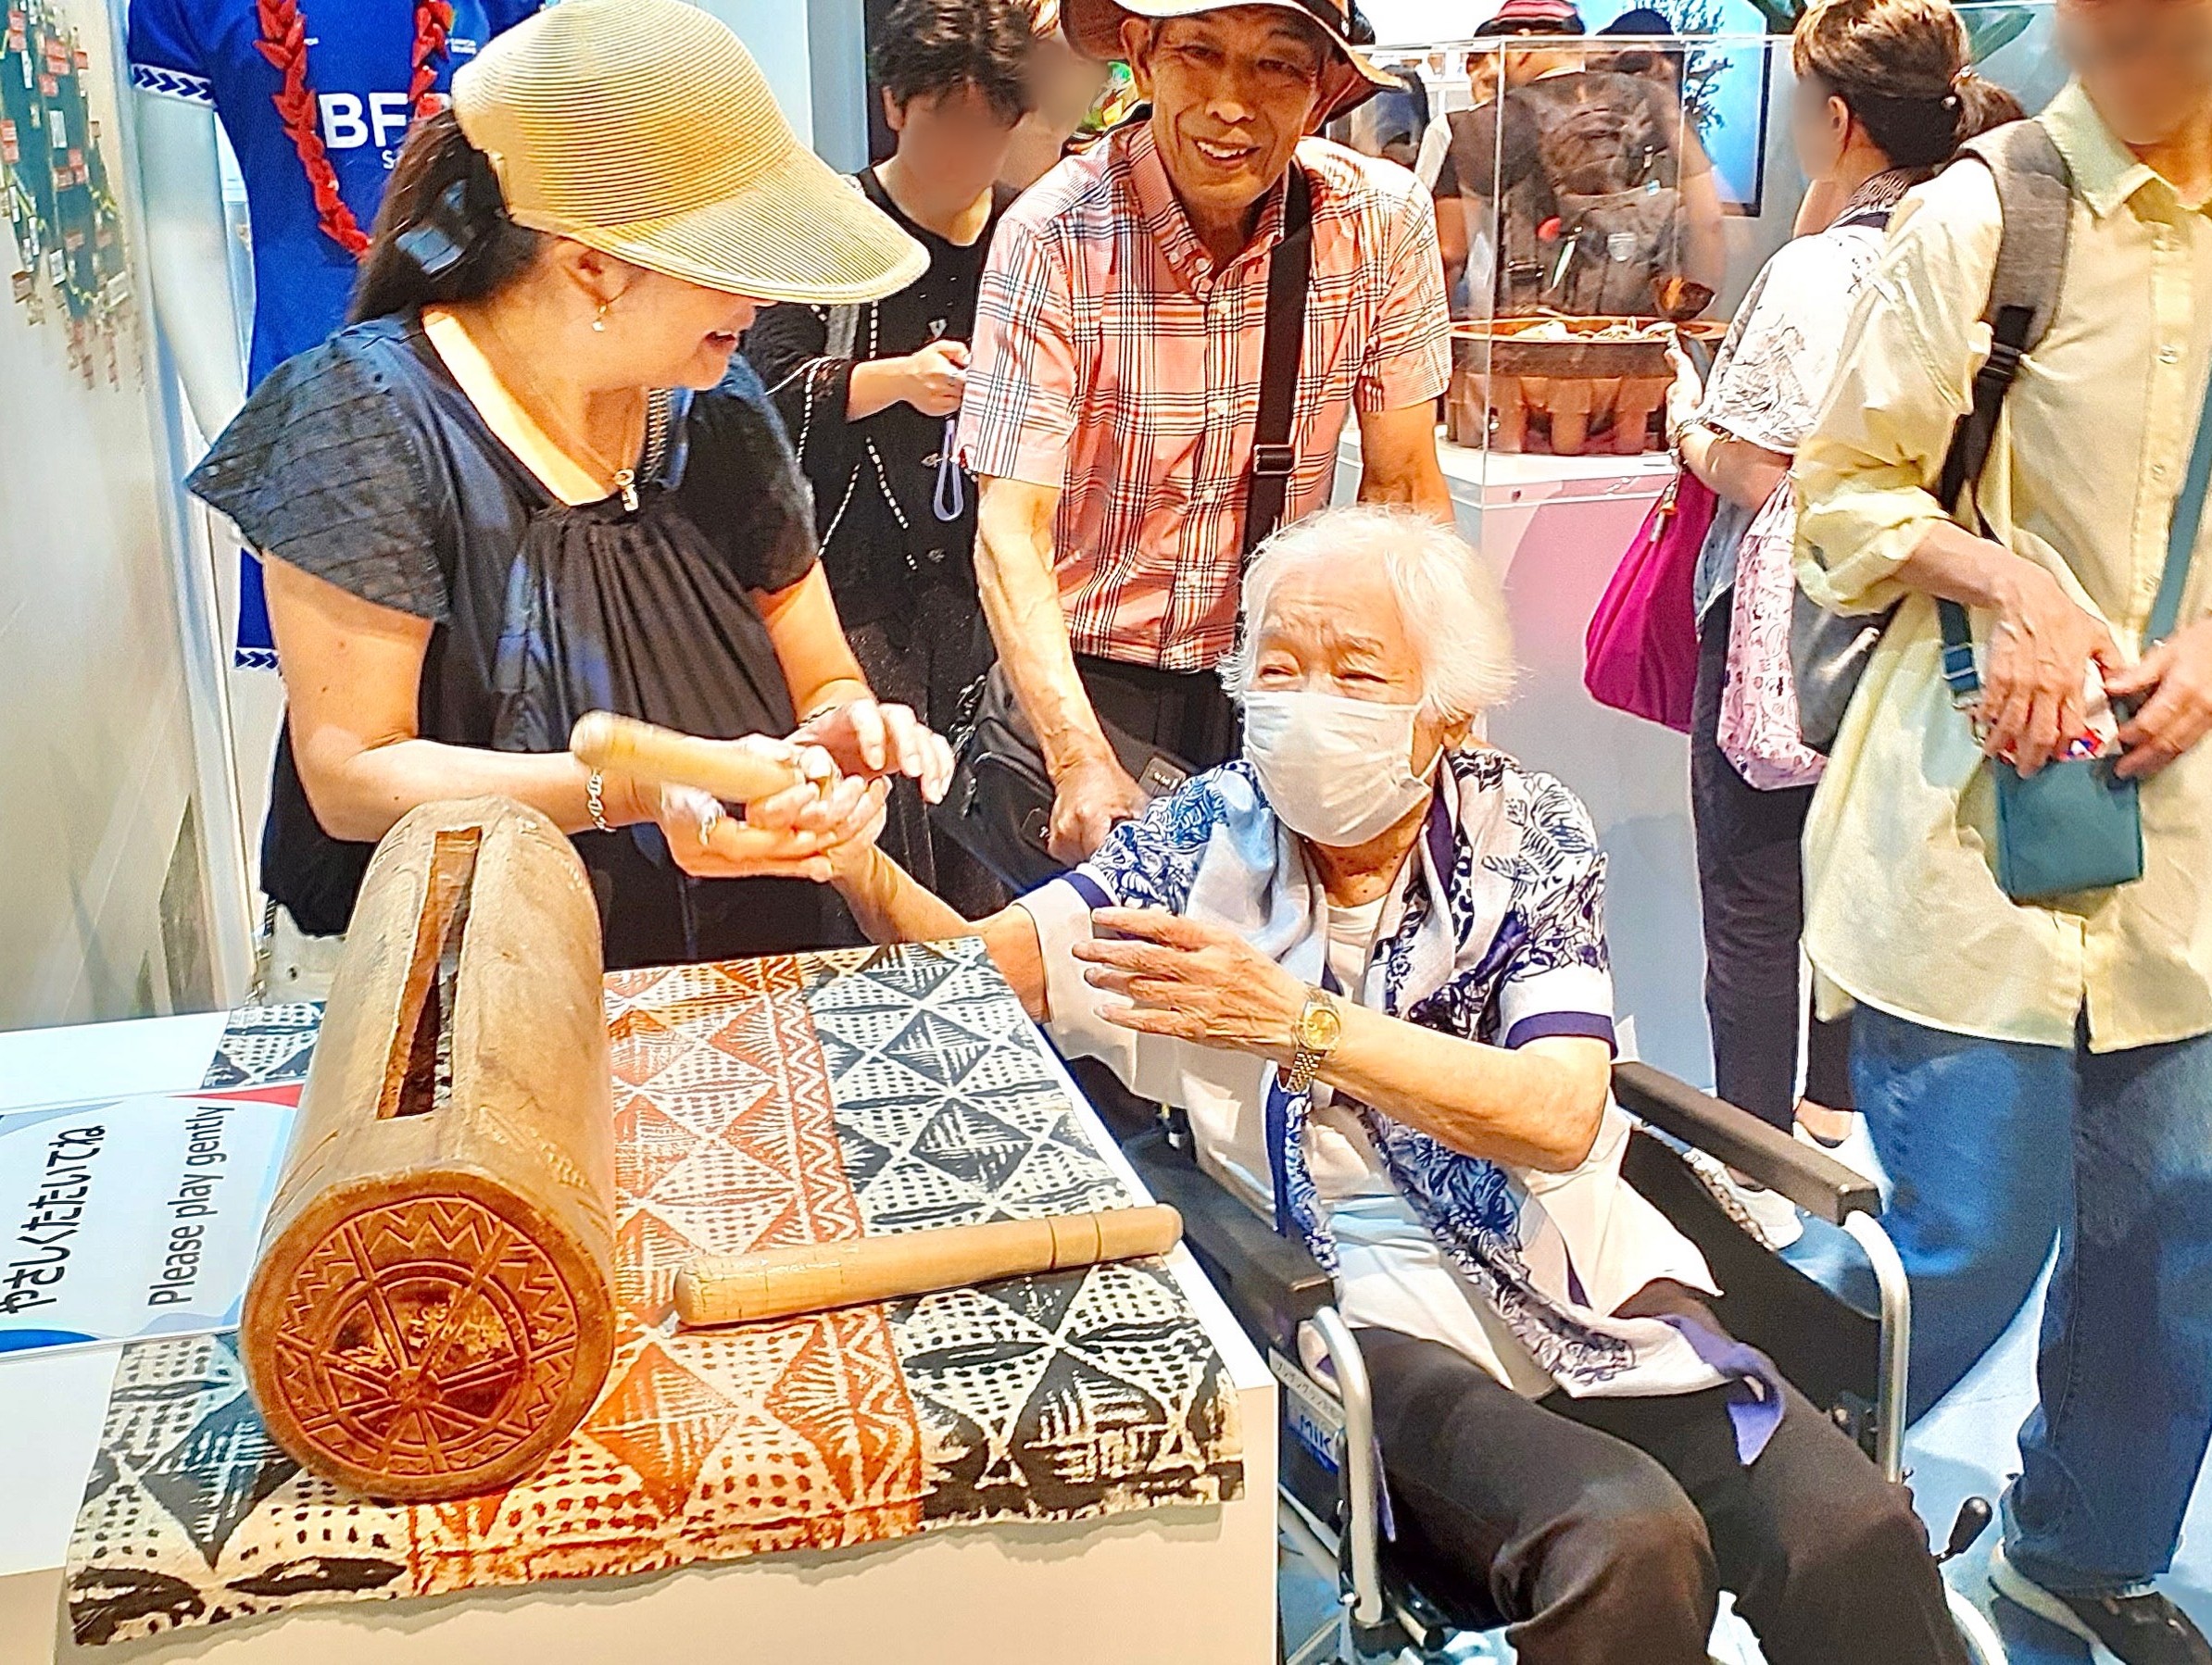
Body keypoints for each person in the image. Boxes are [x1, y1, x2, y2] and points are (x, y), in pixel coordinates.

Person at [825, 504, 1967, 1665]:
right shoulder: (1200, 844)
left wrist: (1299, 1026)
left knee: (1851, 1530)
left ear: (1448, 712)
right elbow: (981, 973)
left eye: (1356, 673)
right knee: (1627, 1541)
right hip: (1359, 1294)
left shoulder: (1525, 832)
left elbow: (1560, 1113)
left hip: (1579, 1268)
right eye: (1279, 668)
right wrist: (852, 859)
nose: (1306, 703)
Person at [185, 0, 954, 981]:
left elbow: (823, 676)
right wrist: (629, 792)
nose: (760, 298)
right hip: (476, 980)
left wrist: (840, 740)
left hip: (727, 959)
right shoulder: (363, 419)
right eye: (730, 265)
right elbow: (354, 775)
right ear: (591, 265)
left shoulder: (719, 408)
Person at [1794, 0, 2212, 1653]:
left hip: (2182, 839)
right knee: (1965, 1230)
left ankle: (2080, 1550)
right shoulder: (1989, 211)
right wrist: (2006, 576)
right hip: (1970, 806)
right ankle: (1753, 1475)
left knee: (2174, 1241)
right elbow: (1837, 496)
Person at [1659, 0, 2016, 1211]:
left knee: (1756, 895)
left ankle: (1755, 1166)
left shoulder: (1822, 270)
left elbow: (1763, 472)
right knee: (1863, 882)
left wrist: (1685, 425)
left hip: (1793, 622)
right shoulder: (1981, 239)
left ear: (1839, 115)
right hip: (1927, 627)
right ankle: (1835, 1117)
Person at [959, 0, 1455, 866]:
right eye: (1199, 52)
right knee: (1097, 944)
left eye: (1277, 65)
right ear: (1143, 57)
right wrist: (1079, 761)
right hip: (1089, 673)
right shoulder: (1055, 233)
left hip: (1286, 672)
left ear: (1323, 89)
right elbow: (1011, 529)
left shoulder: (1377, 221)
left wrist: (1438, 707)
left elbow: (1404, 489)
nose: (1231, 103)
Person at [748, 0, 1037, 915]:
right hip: (855, 580)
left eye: (989, 133)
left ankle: (987, 989)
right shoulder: (829, 223)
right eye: (946, 126)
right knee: (874, 825)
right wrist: (892, 380)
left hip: (983, 579)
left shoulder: (1029, 233)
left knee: (986, 827)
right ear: (895, 106)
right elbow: (757, 393)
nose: (966, 157)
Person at [1431, 0, 1726, 319]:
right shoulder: (1656, 103)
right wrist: (1694, 318)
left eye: (1500, 52)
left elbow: (1448, 253)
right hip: (1639, 329)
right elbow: (1709, 221)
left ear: (1521, 44)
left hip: (1529, 330)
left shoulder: (1483, 124)